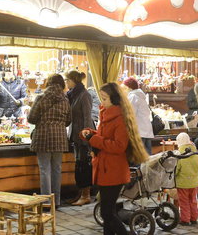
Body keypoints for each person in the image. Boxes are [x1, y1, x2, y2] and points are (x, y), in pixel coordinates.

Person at [80, 83, 148, 235]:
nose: (101, 102)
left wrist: (94, 139)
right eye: (101, 98)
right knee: (108, 211)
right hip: (104, 168)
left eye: (104, 98)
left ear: (115, 99)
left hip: (113, 170)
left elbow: (119, 146)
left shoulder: (120, 118)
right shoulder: (106, 113)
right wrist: (90, 133)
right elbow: (103, 137)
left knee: (107, 213)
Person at [28, 74, 72, 206]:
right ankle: (56, 201)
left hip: (43, 136)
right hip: (59, 137)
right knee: (57, 169)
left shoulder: (41, 97)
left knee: (44, 169)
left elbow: (31, 118)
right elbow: (68, 120)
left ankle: (47, 201)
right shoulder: (65, 100)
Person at [65, 70, 95, 206]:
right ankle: (80, 193)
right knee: (79, 165)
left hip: (83, 135)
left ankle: (86, 194)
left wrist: (87, 136)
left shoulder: (84, 95)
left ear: (74, 80)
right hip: (75, 134)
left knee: (84, 165)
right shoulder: (72, 95)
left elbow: (87, 117)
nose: (66, 82)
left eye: (67, 80)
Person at [174, 132, 198, 226]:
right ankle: (194, 218)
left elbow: (176, 170)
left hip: (182, 184)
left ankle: (185, 220)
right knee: (193, 201)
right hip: (193, 183)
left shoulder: (179, 156)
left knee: (184, 202)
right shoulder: (195, 155)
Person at [123, 77, 154, 154]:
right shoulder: (140, 96)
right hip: (146, 131)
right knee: (147, 160)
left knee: (139, 159)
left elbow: (129, 114)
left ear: (128, 88)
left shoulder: (133, 97)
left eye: (124, 88)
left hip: (139, 132)